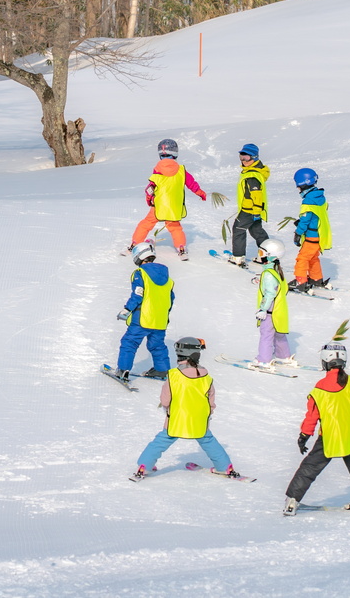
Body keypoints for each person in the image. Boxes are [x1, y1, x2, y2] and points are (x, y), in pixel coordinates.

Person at [283, 342, 350, 515]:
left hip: (330, 437)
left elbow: (312, 415)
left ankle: (292, 501)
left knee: (310, 467)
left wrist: (304, 435)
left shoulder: (320, 388)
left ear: (325, 362)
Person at [134, 336, 241, 480]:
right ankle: (224, 467)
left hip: (177, 417)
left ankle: (144, 466)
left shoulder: (173, 375)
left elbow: (165, 400)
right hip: (199, 418)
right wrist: (209, 412)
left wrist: (167, 407)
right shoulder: (206, 377)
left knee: (161, 441)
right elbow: (211, 400)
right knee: (208, 441)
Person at [127, 138, 208, 260]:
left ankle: (135, 243)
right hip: (174, 206)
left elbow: (150, 188)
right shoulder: (181, 170)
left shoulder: (158, 170)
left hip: (158, 205)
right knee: (175, 227)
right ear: (175, 153)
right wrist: (200, 193)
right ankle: (181, 247)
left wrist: (149, 199)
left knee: (146, 224)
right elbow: (192, 184)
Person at [111, 241, 174, 381]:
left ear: (138, 256)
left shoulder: (140, 273)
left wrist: (127, 310)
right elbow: (171, 299)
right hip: (160, 320)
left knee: (129, 342)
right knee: (157, 345)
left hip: (142, 318)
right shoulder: (168, 278)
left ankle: (123, 370)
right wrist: (165, 315)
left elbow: (138, 294)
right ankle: (162, 370)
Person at [250, 239, 294, 369]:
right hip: (279, 311)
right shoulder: (276, 271)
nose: (260, 255)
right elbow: (281, 288)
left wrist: (263, 309)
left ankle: (264, 360)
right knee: (279, 334)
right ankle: (283, 356)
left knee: (266, 335)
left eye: (262, 252)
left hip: (269, 312)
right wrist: (261, 281)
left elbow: (270, 294)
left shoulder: (268, 274)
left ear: (270, 256)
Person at [289, 168, 332, 291]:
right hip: (319, 234)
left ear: (303, 184)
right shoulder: (319, 196)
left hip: (311, 235)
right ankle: (316, 278)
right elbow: (314, 215)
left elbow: (306, 218)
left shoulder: (308, 200)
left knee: (302, 258)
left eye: (298, 186)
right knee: (313, 257)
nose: (297, 189)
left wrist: (298, 232)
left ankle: (300, 281)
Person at [228, 143, 270, 266]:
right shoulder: (252, 171)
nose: (243, 161)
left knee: (238, 229)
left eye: (246, 158)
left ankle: (238, 257)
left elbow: (257, 195)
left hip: (249, 210)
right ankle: (266, 255)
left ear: (255, 157)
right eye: (241, 158)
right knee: (257, 231)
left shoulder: (252, 175)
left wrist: (256, 211)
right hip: (253, 209)